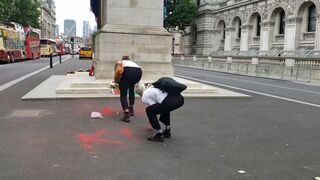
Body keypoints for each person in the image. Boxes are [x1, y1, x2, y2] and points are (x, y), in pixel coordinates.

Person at [115, 55, 142, 122]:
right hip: (138, 72)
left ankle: (126, 115)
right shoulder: (133, 63)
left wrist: (117, 81)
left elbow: (117, 72)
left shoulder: (119, 62)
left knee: (123, 94)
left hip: (127, 72)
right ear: (129, 59)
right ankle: (131, 109)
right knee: (131, 89)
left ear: (122, 59)